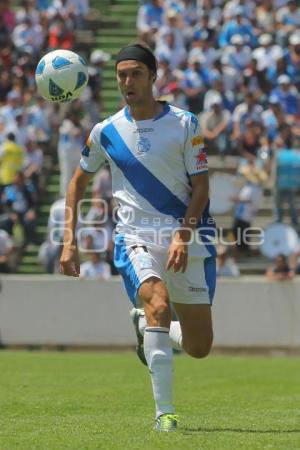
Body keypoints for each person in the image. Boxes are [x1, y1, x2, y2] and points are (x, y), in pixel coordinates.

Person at [60, 42, 216, 432]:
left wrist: (182, 235)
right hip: (136, 237)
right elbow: (77, 184)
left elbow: (201, 188)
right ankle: (165, 414)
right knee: (159, 304)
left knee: (199, 347)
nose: (127, 81)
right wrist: (69, 239)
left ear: (152, 77)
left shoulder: (184, 123)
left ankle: (144, 326)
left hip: (187, 238)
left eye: (135, 74)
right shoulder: (106, 132)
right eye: (122, 75)